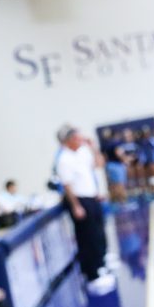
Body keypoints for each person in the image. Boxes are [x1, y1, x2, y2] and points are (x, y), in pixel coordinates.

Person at [54, 124, 114, 295]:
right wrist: (76, 206)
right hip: (80, 200)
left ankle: (100, 265)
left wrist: (93, 147)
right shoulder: (63, 159)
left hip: (91, 196)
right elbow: (67, 185)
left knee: (97, 233)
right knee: (86, 238)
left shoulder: (82, 152)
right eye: (78, 138)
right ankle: (92, 275)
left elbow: (99, 164)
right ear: (69, 140)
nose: (81, 140)